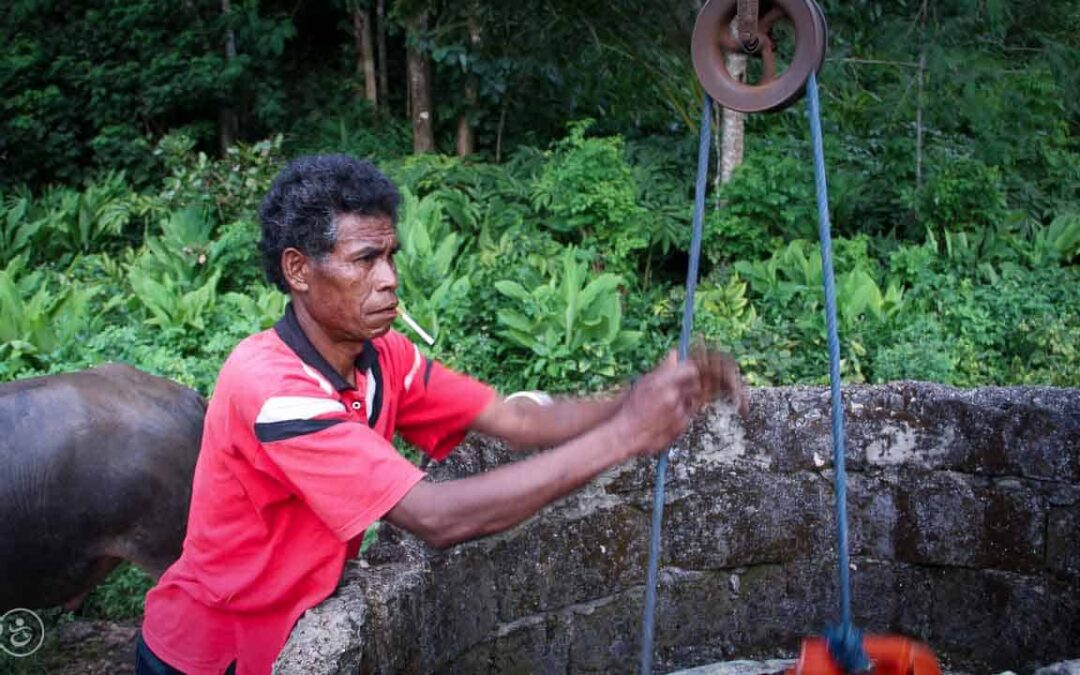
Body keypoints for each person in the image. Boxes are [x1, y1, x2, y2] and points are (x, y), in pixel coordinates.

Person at [137, 154, 748, 675]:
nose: (390, 281)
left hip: (289, 635)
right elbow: (434, 517)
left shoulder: (383, 359)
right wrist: (625, 435)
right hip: (210, 654)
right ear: (299, 269)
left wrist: (640, 396)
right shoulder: (271, 389)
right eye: (364, 260)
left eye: (391, 256)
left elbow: (517, 420)